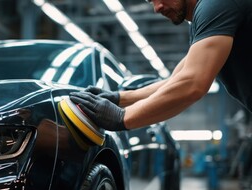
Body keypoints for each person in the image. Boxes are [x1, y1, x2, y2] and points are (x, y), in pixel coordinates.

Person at [70, 0, 252, 131]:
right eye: (151, 1)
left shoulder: (216, 5)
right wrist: (118, 98)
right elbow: (175, 81)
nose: (157, 8)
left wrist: (122, 117)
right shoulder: (204, 21)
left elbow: (192, 84)